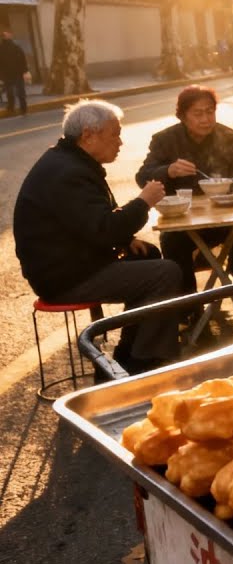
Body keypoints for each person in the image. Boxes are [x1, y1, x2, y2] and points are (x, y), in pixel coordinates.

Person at [14, 101, 181, 373]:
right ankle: (144, 362)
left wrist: (125, 241)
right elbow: (104, 229)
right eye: (114, 134)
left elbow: (86, 221)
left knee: (147, 255)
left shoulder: (70, 161)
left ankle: (127, 354)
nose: (120, 142)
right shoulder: (68, 172)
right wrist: (144, 202)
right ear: (88, 136)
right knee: (165, 273)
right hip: (66, 277)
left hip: (75, 263)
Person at [136, 86, 233, 294]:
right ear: (182, 116)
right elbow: (143, 177)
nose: (205, 119)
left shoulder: (228, 136)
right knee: (172, 241)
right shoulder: (165, 140)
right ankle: (189, 305)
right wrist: (168, 171)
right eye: (198, 114)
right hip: (182, 218)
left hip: (224, 215)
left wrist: (228, 184)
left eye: (210, 112)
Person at [0, 31, 30, 116]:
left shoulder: (2, 48)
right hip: (17, 73)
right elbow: (22, 59)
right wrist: (25, 71)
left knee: (10, 92)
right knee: (20, 92)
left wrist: (1, 75)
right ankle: (23, 109)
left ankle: (11, 108)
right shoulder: (16, 47)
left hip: (8, 74)